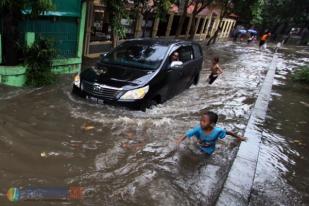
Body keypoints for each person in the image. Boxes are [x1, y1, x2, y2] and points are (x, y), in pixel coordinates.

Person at [176, 111, 246, 155]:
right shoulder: (198, 129)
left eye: (204, 121)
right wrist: (179, 141)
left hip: (209, 150)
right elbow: (186, 134)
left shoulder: (218, 131)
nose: (201, 122)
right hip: (198, 145)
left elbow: (229, 132)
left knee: (204, 160)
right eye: (201, 120)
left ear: (212, 124)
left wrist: (239, 137)